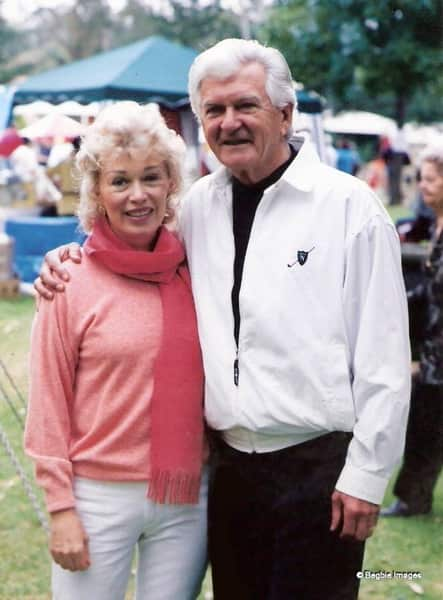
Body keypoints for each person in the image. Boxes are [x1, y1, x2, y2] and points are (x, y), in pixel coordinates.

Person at [34, 39, 410, 600]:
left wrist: (366, 476)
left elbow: (383, 356)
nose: (229, 123)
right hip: (229, 474)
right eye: (214, 110)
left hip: (320, 470)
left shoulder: (350, 209)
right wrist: (66, 256)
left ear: (285, 113)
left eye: (245, 106)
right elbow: (126, 237)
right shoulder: (196, 209)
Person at [25, 101, 208, 600]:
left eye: (151, 177)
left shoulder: (199, 269)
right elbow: (48, 401)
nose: (138, 195)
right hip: (96, 497)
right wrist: (60, 507)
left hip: (186, 496)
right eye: (120, 181)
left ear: (171, 183)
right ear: (97, 191)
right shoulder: (69, 279)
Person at [382, 141, 443, 517]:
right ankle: (413, 497)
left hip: (439, 352)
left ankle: (412, 498)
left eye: (433, 179)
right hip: (434, 347)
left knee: (426, 422)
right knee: (425, 422)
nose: (424, 185)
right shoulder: (433, 225)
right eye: (421, 178)